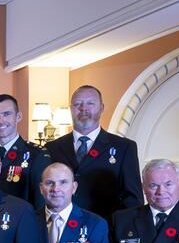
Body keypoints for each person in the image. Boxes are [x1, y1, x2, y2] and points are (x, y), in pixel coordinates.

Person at [44, 85, 142, 221]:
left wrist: (121, 229)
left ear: (101, 108)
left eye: (90, 103)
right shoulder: (52, 147)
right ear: (71, 109)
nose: (83, 108)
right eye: (77, 104)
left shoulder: (124, 147)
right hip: (61, 227)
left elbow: (133, 199)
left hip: (106, 228)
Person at [0, 94, 50, 208]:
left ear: (18, 117)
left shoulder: (36, 155)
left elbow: (41, 204)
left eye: (7, 114)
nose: (0, 120)